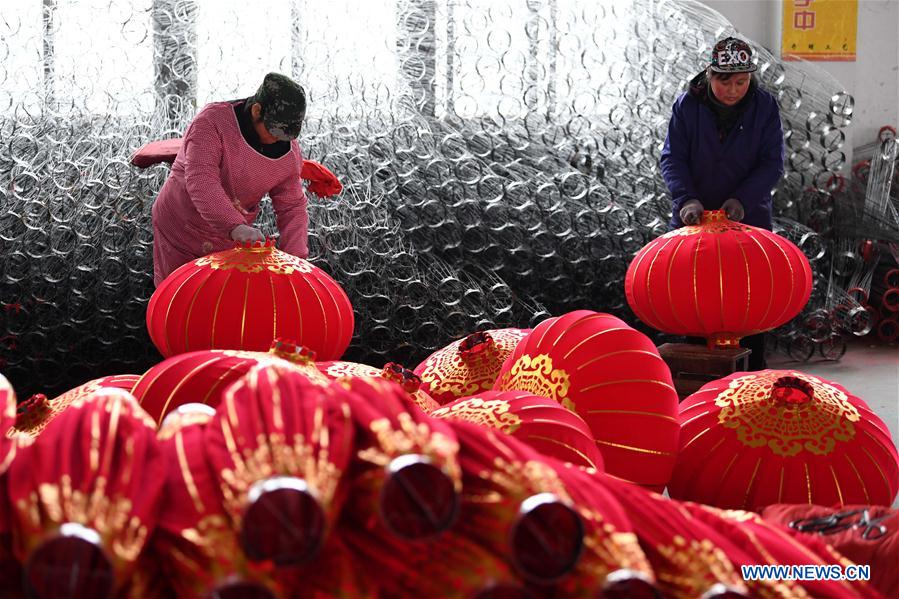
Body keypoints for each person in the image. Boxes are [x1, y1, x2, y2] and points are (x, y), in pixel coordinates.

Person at [660, 36, 785, 370]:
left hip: (748, 219)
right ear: (709, 75)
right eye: (724, 81)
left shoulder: (764, 107)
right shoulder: (688, 105)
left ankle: (751, 373)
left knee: (748, 300)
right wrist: (686, 199)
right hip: (694, 220)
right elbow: (673, 159)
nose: (733, 90)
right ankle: (698, 374)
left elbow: (772, 162)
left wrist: (742, 200)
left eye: (741, 82)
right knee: (696, 301)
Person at [152, 72, 310, 286]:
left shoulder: (288, 153)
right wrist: (236, 226)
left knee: (222, 304)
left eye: (286, 136)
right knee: (179, 298)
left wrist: (296, 261)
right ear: (256, 111)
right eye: (274, 132)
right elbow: (201, 180)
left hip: (230, 238)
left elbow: (292, 207)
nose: (278, 141)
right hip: (181, 226)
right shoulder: (212, 122)